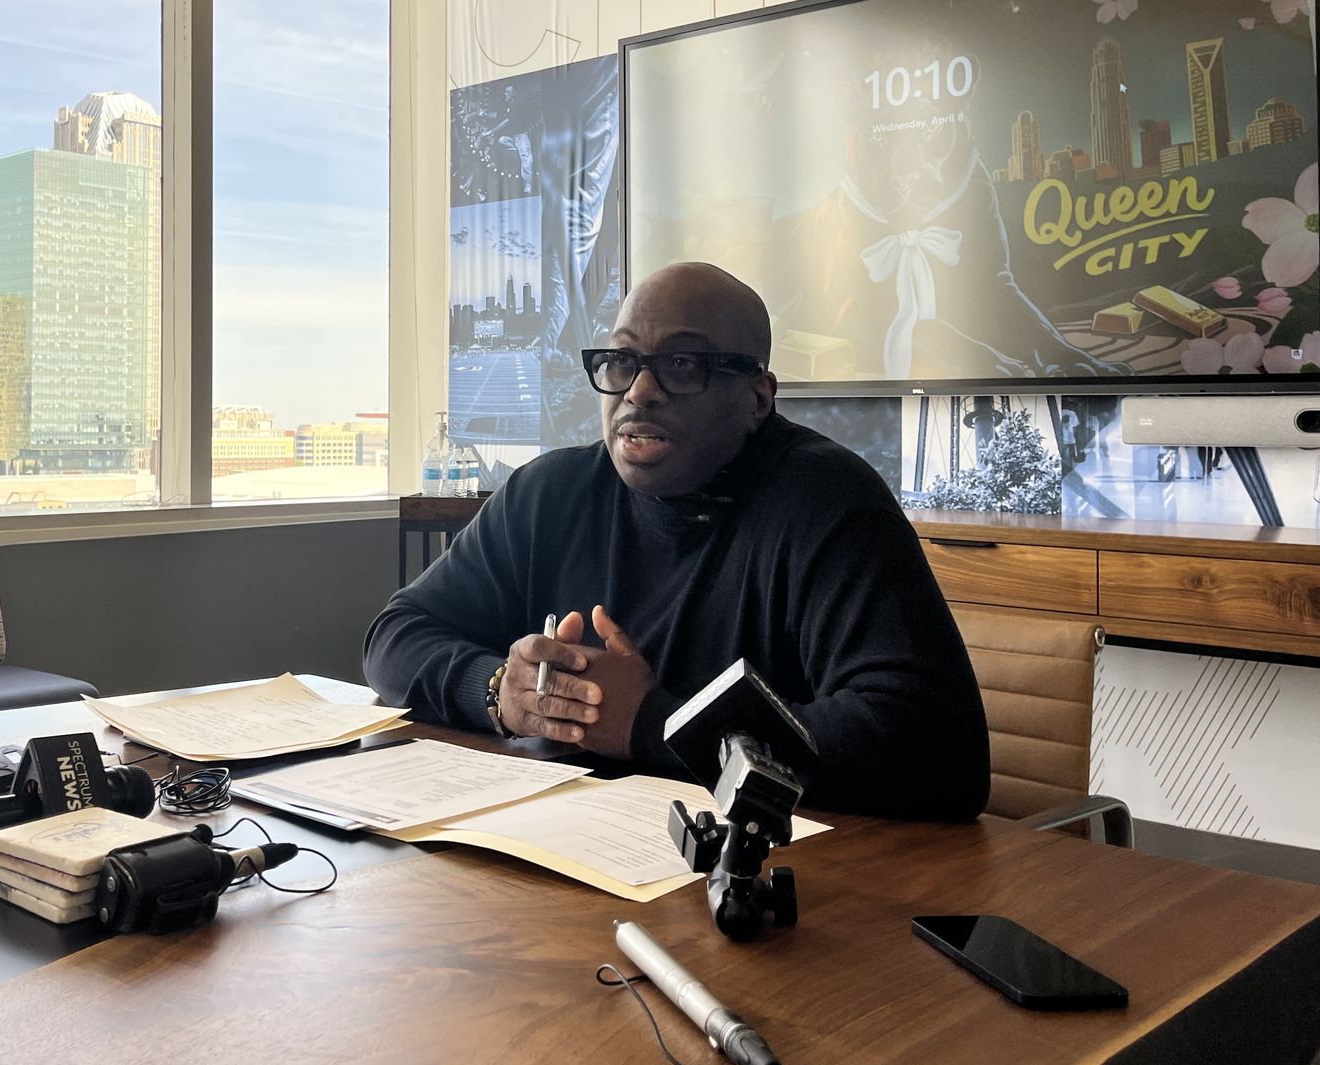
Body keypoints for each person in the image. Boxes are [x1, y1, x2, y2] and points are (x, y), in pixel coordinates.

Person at [364, 262, 990, 820]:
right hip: (571, 859)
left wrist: (651, 723)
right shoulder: (548, 492)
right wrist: (502, 691)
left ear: (757, 398)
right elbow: (395, 635)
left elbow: (936, 748)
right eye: (622, 362)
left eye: (683, 365)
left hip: (771, 891)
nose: (639, 391)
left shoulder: (826, 501)